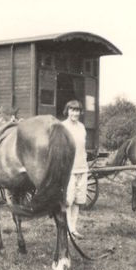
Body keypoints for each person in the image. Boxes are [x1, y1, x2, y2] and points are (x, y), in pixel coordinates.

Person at [61, 99, 88, 239]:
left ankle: (73, 229)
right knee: (68, 200)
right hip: (69, 169)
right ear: (68, 111)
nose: (75, 113)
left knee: (78, 200)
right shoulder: (62, 126)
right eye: (72, 110)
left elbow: (82, 148)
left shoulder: (82, 127)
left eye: (77, 110)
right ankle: (66, 229)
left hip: (82, 168)